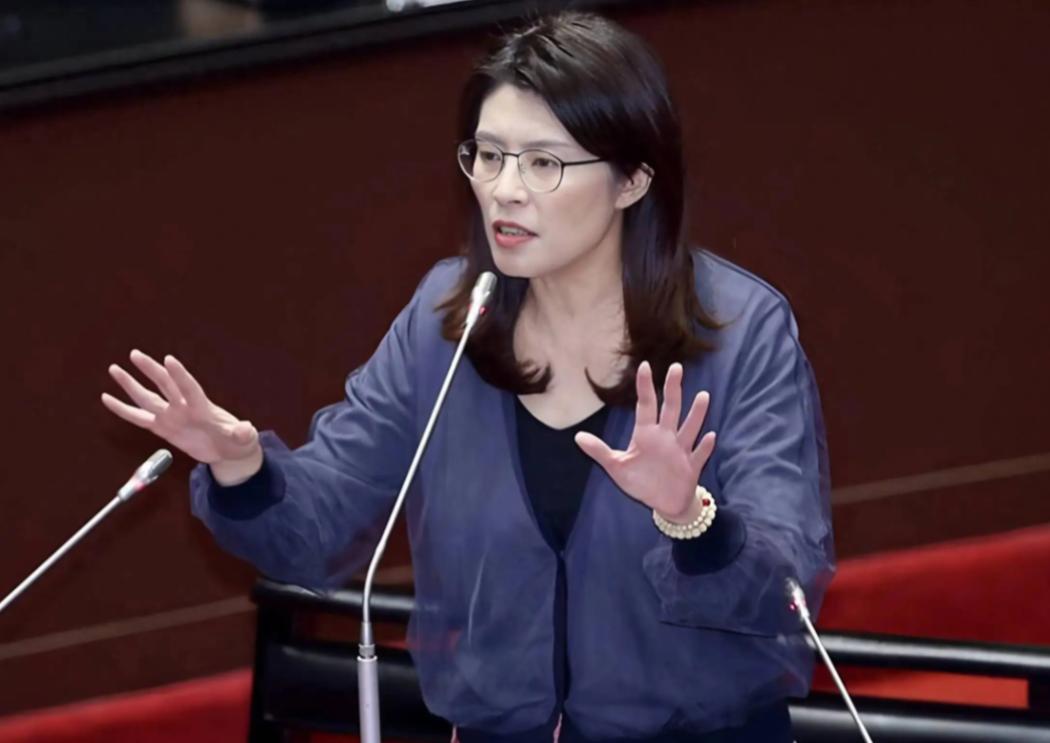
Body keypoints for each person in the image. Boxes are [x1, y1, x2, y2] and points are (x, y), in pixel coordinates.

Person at [101, 11, 834, 743]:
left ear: (632, 180)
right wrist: (242, 467)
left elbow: (787, 589)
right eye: (488, 155)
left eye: (543, 163)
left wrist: (690, 517)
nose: (505, 190)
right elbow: (316, 531)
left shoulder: (739, 333)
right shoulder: (445, 327)